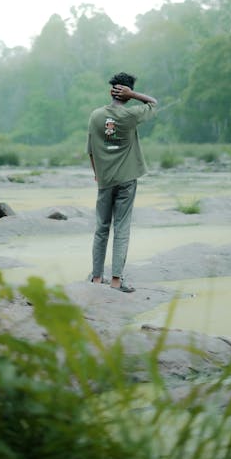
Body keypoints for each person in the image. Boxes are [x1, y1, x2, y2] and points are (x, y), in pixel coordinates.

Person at [87, 72, 157, 293]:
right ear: (126, 93)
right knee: (122, 228)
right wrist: (134, 94)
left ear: (111, 91)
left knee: (101, 228)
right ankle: (116, 281)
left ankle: (97, 279)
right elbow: (154, 103)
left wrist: (98, 174)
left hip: (105, 180)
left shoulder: (96, 116)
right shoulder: (131, 115)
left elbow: (90, 150)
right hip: (127, 180)